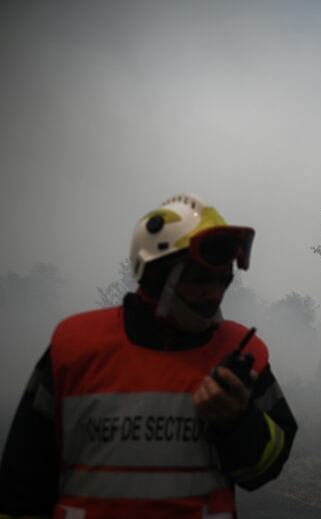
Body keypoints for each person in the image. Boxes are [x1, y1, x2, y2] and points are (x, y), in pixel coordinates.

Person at [0, 193, 297, 518]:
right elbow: (22, 485)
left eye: (222, 279)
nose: (214, 293)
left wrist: (238, 423)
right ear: (156, 275)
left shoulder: (242, 354)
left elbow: (268, 468)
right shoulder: (75, 349)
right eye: (199, 278)